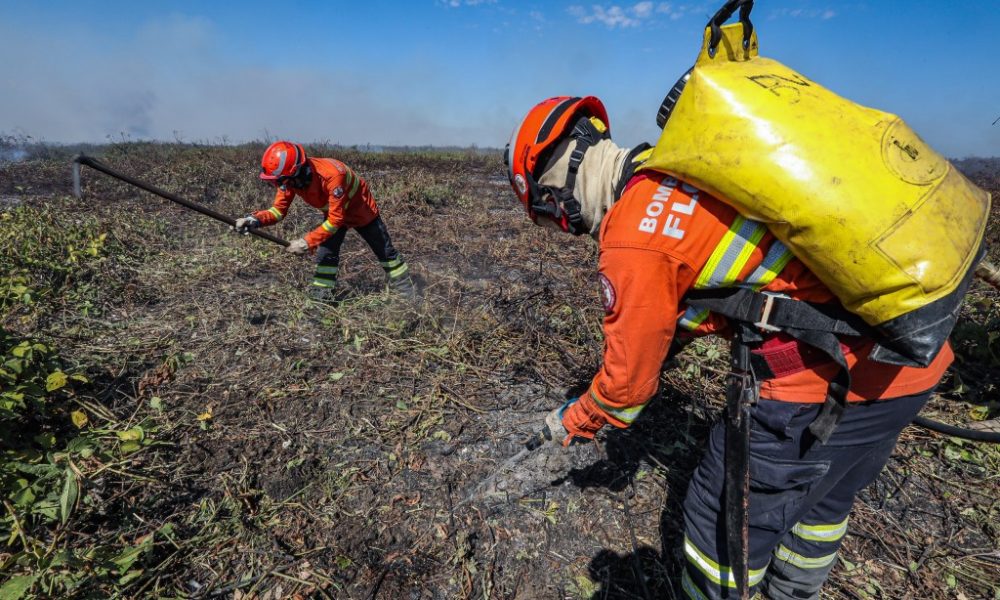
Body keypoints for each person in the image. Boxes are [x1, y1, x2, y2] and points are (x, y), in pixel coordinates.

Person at [503, 96, 954, 600]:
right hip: (911, 357)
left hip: (817, 384)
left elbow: (625, 391)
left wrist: (574, 420)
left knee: (715, 531)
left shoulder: (633, 237)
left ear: (553, 191)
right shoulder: (682, 172)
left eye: (552, 219)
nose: (569, 230)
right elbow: (726, 288)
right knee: (821, 505)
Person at [235, 141, 414, 300]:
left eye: (279, 181)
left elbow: (336, 220)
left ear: (296, 172)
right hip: (334, 215)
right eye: (275, 182)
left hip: (361, 211)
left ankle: (410, 296)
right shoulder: (290, 180)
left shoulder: (332, 175)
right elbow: (278, 211)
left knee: (385, 253)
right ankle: (322, 299)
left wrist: (306, 242)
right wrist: (254, 220)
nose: (279, 186)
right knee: (325, 255)